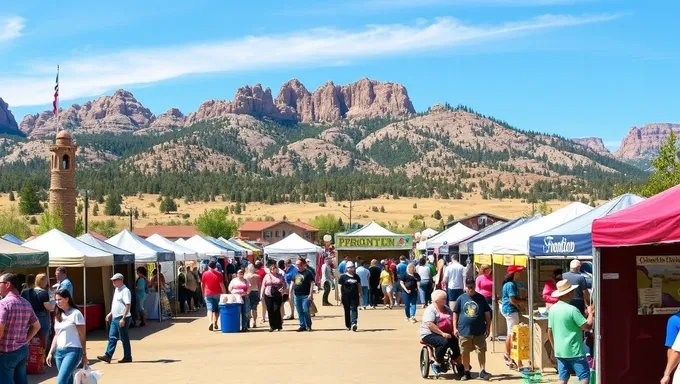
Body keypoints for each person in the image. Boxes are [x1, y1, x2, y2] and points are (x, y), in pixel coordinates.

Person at [548, 280, 594, 384]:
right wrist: (590, 313)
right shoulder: (572, 310)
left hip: (560, 351)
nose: (573, 293)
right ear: (568, 293)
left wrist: (554, 346)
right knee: (584, 378)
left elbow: (549, 331)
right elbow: (587, 326)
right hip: (575, 351)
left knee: (563, 379)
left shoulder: (553, 309)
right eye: (572, 291)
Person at [0, 273, 41, 384]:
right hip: (22, 350)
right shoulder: (26, 303)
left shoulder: (3, 304)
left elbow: (0, 326)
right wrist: (26, 340)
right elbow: (37, 325)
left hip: (6, 351)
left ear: (7, 284)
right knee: (21, 380)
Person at [453, 278, 492, 381]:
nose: (470, 289)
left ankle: (482, 370)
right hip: (464, 331)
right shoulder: (461, 298)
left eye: (472, 287)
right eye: (469, 287)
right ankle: (466, 372)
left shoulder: (481, 298)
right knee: (464, 352)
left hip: (479, 330)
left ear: (475, 286)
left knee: (481, 350)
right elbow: (455, 313)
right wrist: (454, 328)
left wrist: (488, 327)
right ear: (466, 287)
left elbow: (487, 314)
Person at [46, 289, 86, 384]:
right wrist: (50, 352)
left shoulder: (76, 314)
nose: (57, 302)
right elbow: (56, 335)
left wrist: (84, 353)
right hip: (59, 352)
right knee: (68, 380)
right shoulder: (58, 315)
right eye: (56, 300)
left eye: (60, 299)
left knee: (61, 380)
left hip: (73, 350)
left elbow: (82, 335)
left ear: (67, 299)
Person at [420, 289, 464, 378]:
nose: (445, 300)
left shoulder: (447, 309)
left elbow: (452, 320)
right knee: (444, 341)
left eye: (445, 298)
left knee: (456, 340)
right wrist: (442, 333)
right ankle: (437, 363)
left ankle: (457, 361)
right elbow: (429, 324)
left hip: (446, 333)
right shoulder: (431, 309)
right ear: (436, 300)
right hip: (429, 334)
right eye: (443, 299)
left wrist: (454, 330)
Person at [98, 273, 132, 364]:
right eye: (112, 280)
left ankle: (127, 356)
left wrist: (123, 318)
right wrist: (110, 314)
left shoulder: (125, 291)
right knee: (112, 337)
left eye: (115, 280)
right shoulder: (117, 290)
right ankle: (108, 355)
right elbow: (116, 305)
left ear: (120, 280)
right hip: (115, 317)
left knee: (123, 338)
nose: (113, 282)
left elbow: (127, 305)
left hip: (122, 317)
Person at [501, 265, 525, 369]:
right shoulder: (510, 284)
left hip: (509, 310)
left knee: (510, 333)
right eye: (518, 272)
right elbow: (512, 300)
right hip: (511, 310)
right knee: (512, 333)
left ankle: (509, 354)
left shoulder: (509, 284)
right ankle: (509, 355)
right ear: (514, 273)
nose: (519, 274)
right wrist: (521, 305)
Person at [21, 274, 53, 342]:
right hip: (41, 319)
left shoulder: (25, 292)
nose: (47, 282)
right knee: (43, 340)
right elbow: (48, 307)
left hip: (28, 319)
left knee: (29, 340)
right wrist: (54, 301)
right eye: (46, 280)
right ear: (42, 280)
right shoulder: (43, 293)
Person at [261, 261, 287, 332]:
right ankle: (272, 326)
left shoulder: (280, 276)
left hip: (277, 294)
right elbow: (263, 285)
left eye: (275, 268)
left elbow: (285, 284)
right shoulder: (267, 276)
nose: (273, 269)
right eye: (272, 268)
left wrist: (283, 288)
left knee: (276, 309)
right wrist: (261, 294)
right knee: (270, 310)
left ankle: (278, 325)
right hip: (268, 294)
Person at [202, 261, 226, 331]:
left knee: (209, 309)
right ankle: (215, 322)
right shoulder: (219, 274)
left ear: (208, 266)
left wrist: (203, 292)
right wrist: (224, 294)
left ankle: (210, 322)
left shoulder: (205, 274)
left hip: (208, 293)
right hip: (218, 293)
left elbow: (202, 284)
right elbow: (222, 285)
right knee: (217, 310)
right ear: (215, 266)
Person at [292, 258, 315, 332]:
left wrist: (310, 294)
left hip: (305, 295)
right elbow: (293, 282)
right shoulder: (295, 273)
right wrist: (290, 292)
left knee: (305, 310)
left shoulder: (308, 273)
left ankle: (308, 325)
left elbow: (312, 283)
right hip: (296, 295)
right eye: (297, 265)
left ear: (303, 264)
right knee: (299, 311)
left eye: (299, 264)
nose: (298, 266)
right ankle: (302, 325)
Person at [338, 262, 361, 331]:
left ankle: (354, 323)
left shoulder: (356, 276)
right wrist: (340, 294)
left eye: (352, 267)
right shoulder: (343, 277)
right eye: (349, 268)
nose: (351, 269)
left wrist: (360, 294)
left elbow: (359, 285)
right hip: (345, 296)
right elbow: (340, 286)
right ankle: (348, 325)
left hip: (354, 296)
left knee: (354, 309)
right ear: (346, 269)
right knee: (347, 310)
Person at [245, 264, 261, 329]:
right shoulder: (257, 276)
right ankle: (254, 321)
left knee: (248, 308)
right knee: (254, 308)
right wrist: (260, 294)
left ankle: (248, 322)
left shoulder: (246, 276)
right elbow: (259, 286)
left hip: (248, 292)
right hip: (255, 291)